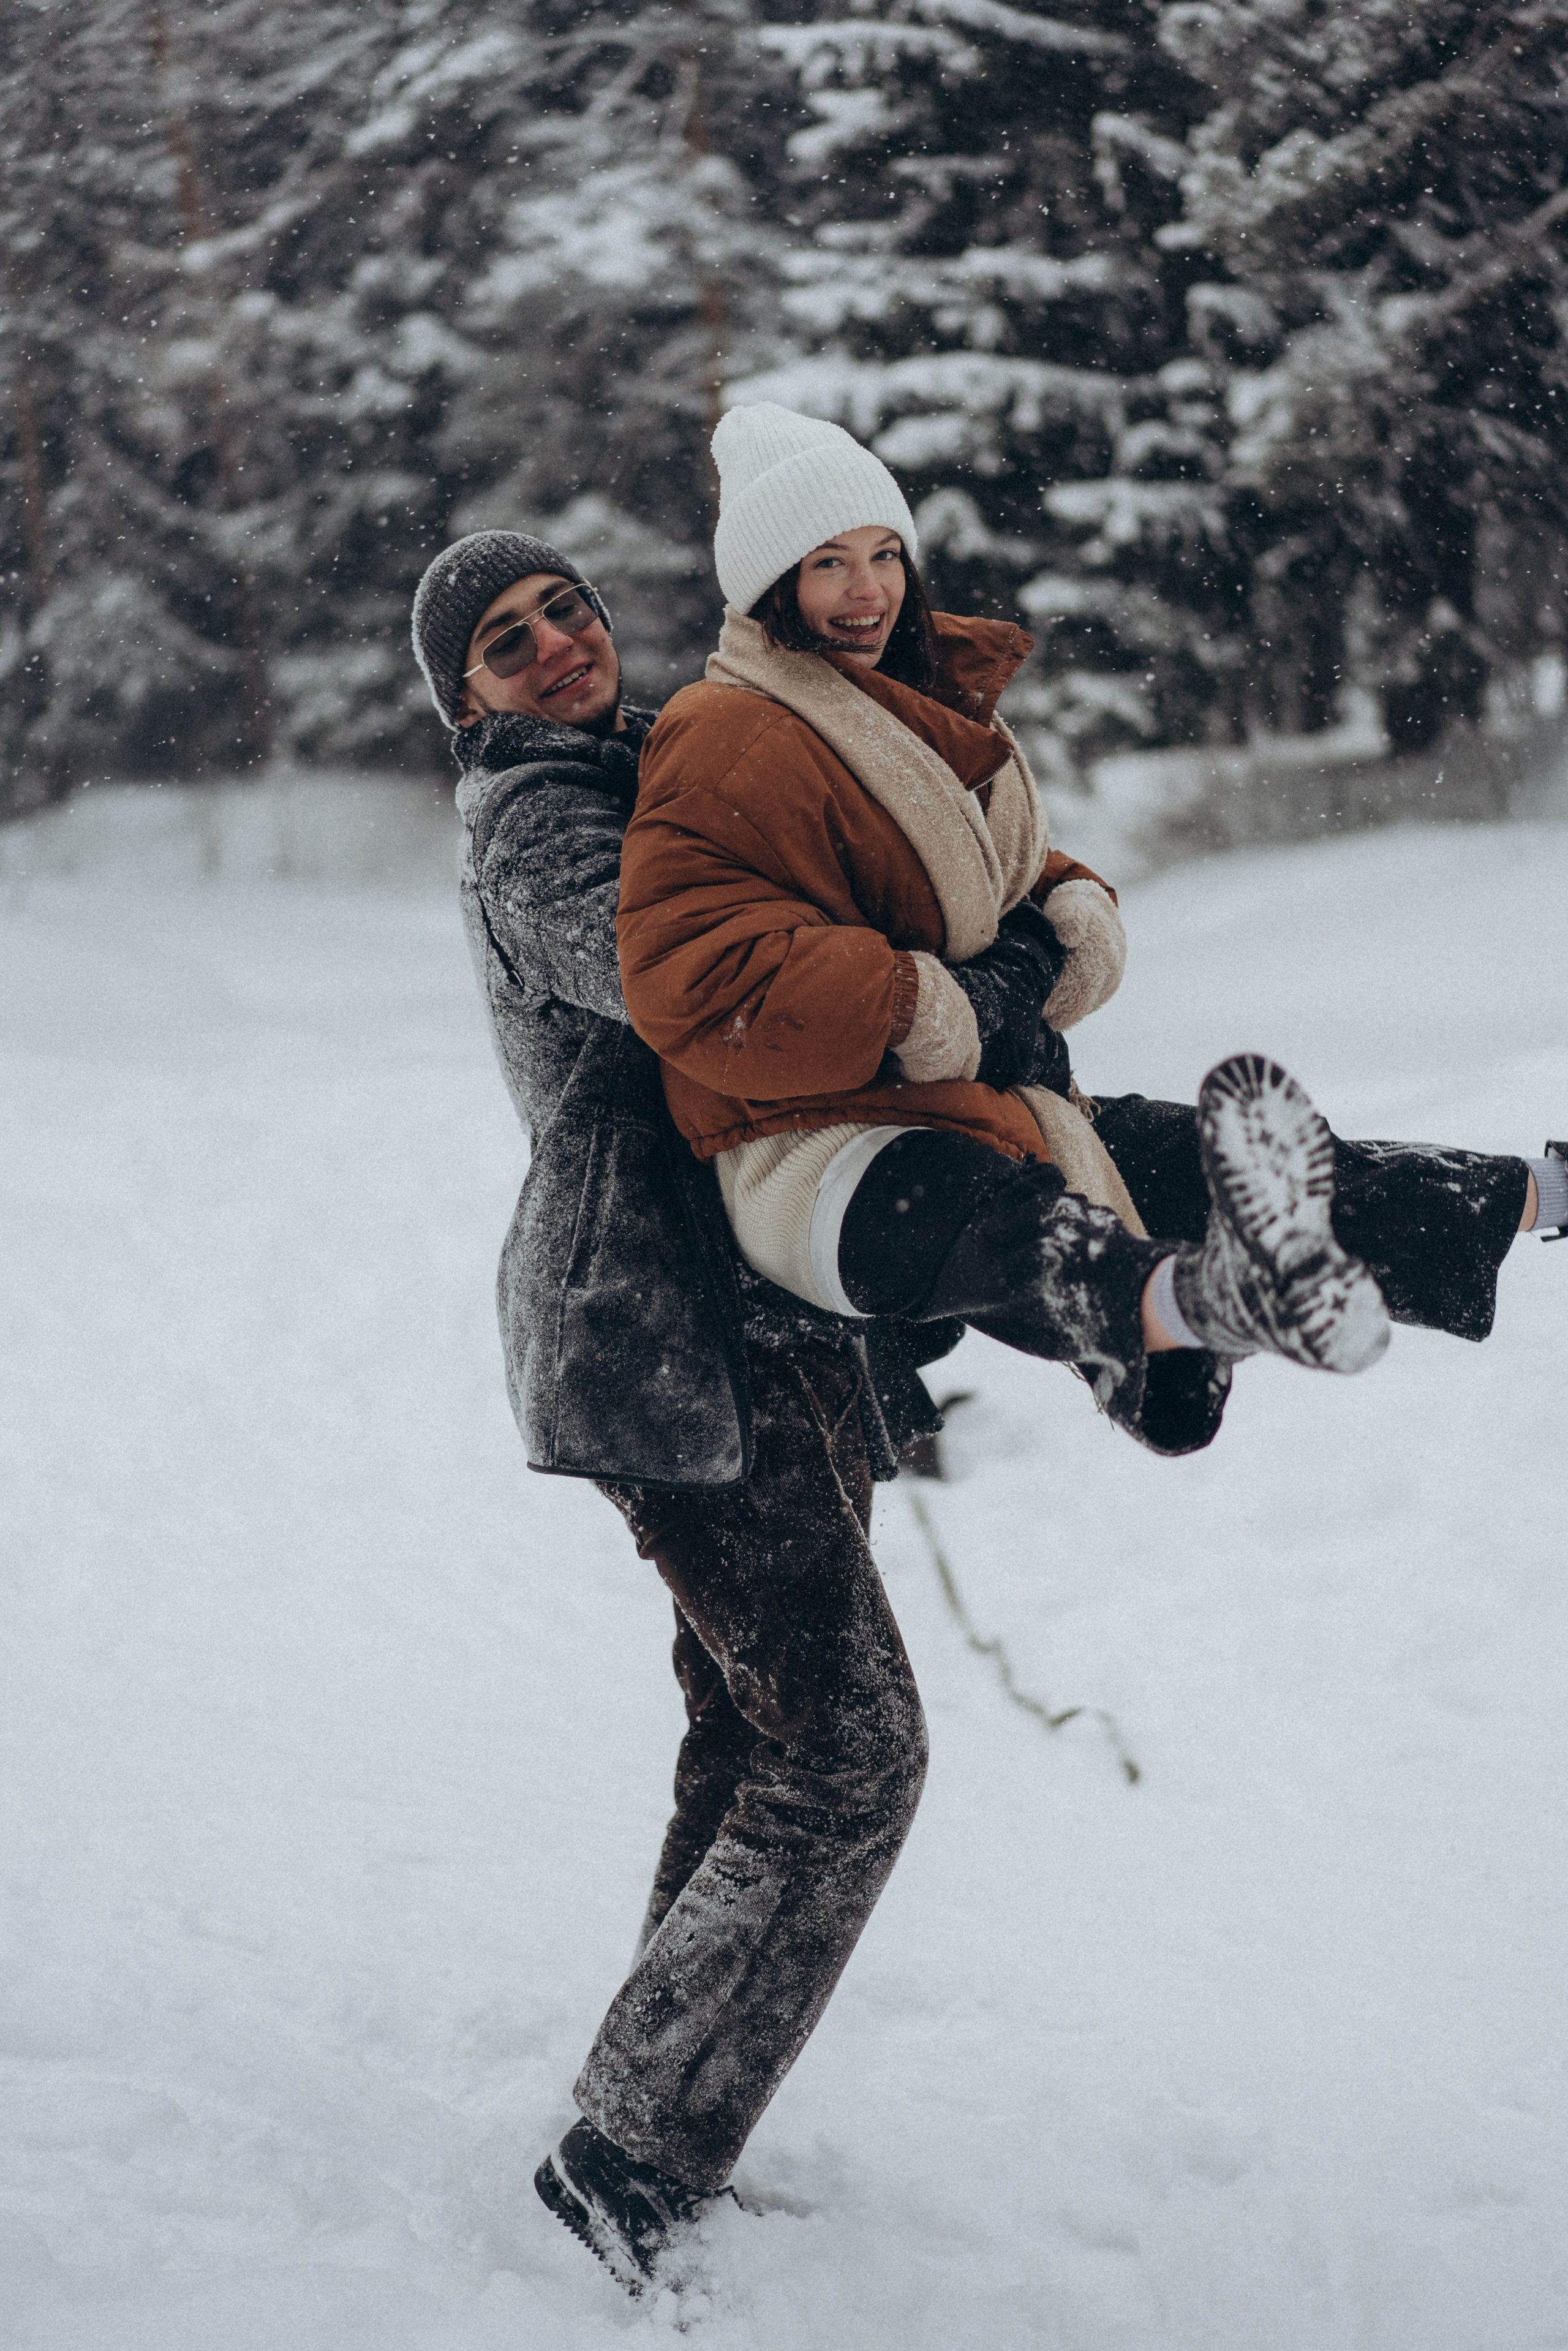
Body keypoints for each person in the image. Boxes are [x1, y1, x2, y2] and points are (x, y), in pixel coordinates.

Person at [586, 402, 1565, 2268]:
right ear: (764, 581)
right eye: (824, 562)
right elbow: (692, 973)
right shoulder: (729, 729)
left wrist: (1049, 952)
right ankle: (1186, 1304)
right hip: (810, 1151)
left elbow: (1046, 890)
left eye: (881, 551)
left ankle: (1524, 1194)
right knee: (1004, 1232)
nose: (862, 589)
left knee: (1202, 1153)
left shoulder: (942, 706)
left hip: (965, 1094)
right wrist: (954, 1001)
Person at [409, 529, 963, 2295]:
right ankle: (627, 2159)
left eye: (562, 609)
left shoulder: (662, 758)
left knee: (756, 1733)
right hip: (653, 1335)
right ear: (468, 703)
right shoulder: (537, 830)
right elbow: (686, 972)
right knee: (850, 1749)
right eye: (506, 643)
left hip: (770, 1318)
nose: (556, 646)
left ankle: (660, 2108)